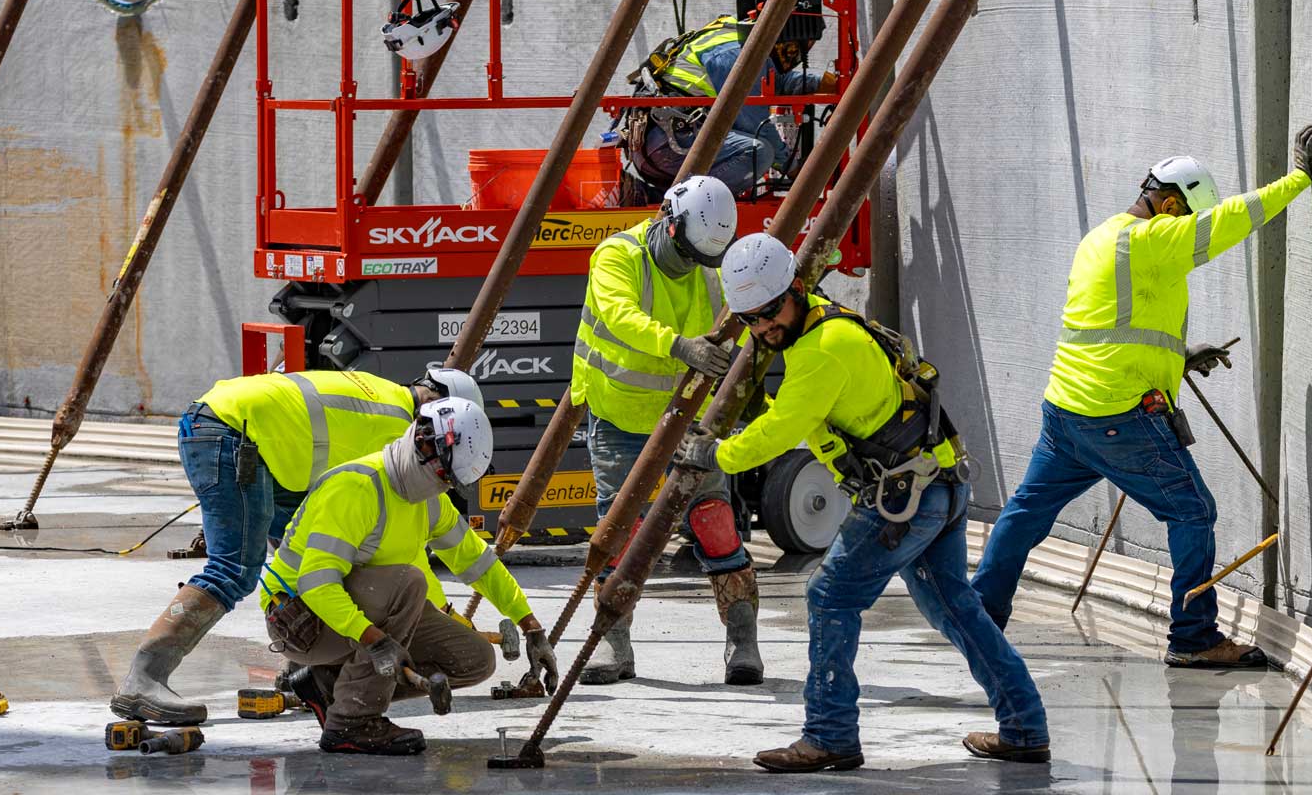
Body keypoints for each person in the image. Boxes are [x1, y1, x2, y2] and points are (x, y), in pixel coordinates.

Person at [679, 234, 1051, 772]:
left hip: (904, 499)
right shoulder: (830, 324)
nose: (763, 327)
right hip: (938, 482)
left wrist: (715, 452)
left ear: (797, 290)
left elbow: (781, 430)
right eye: (750, 319)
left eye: (769, 312)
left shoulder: (820, 351)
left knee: (830, 596)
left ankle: (829, 735)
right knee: (955, 608)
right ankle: (1024, 725)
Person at [972, 126, 1312, 669]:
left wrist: (1178, 358)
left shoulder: (1100, 238)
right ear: (1169, 203)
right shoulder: (1152, 238)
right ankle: (1193, 637)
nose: (1187, 229)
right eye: (1184, 216)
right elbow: (1229, 222)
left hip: (1066, 409)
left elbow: (1114, 327)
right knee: (1192, 510)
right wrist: (1296, 181)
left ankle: (979, 614)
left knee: (1025, 513)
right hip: (1118, 416)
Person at [110, 365, 482, 724]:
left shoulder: (379, 391)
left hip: (235, 428)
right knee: (235, 567)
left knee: (308, 540)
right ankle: (145, 677)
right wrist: (440, 612)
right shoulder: (400, 430)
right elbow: (404, 550)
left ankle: (305, 668)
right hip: (233, 434)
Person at [260, 397, 558, 755]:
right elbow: (316, 583)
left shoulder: (428, 501)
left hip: (355, 613)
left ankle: (330, 686)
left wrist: (531, 626)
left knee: (474, 659)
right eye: (445, 477)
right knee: (409, 582)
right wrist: (373, 639)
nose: (446, 487)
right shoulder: (358, 488)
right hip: (299, 621)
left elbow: (475, 561)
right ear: (424, 446)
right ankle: (352, 722)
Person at [569, 175, 765, 686]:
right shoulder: (617, 257)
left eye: (703, 259)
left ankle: (743, 641)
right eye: (685, 252)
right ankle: (613, 645)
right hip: (620, 416)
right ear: (666, 220)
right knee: (621, 533)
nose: (692, 265)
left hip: (687, 420)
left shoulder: (709, 263)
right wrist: (680, 346)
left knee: (715, 521)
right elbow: (619, 316)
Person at [618, 0, 839, 201]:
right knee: (758, 153)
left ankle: (666, 195)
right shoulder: (737, 54)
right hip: (669, 144)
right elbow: (756, 125)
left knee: (757, 148)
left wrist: (822, 83)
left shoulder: (740, 33)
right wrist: (798, 171)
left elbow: (771, 80)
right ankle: (672, 201)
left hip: (667, 138)